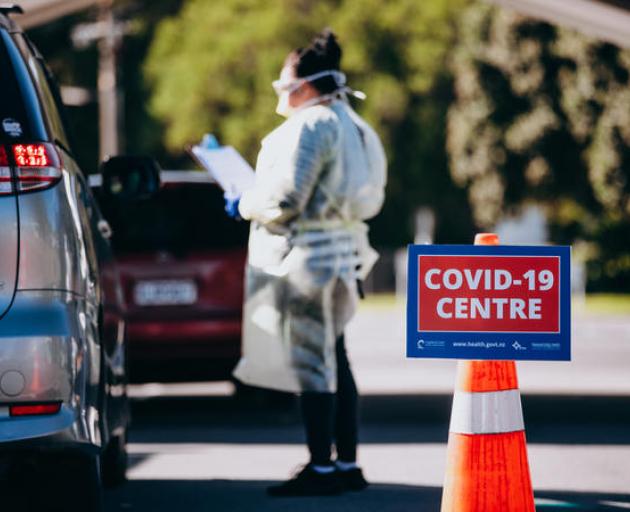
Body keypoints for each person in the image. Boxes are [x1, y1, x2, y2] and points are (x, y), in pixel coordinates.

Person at [227, 29, 387, 497]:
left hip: (307, 262)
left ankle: (321, 467)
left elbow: (288, 197)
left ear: (306, 83)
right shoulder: (358, 125)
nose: (281, 88)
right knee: (337, 357)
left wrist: (242, 204)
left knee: (312, 364)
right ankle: (347, 463)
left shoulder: (311, 125)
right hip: (345, 256)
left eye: (286, 79)